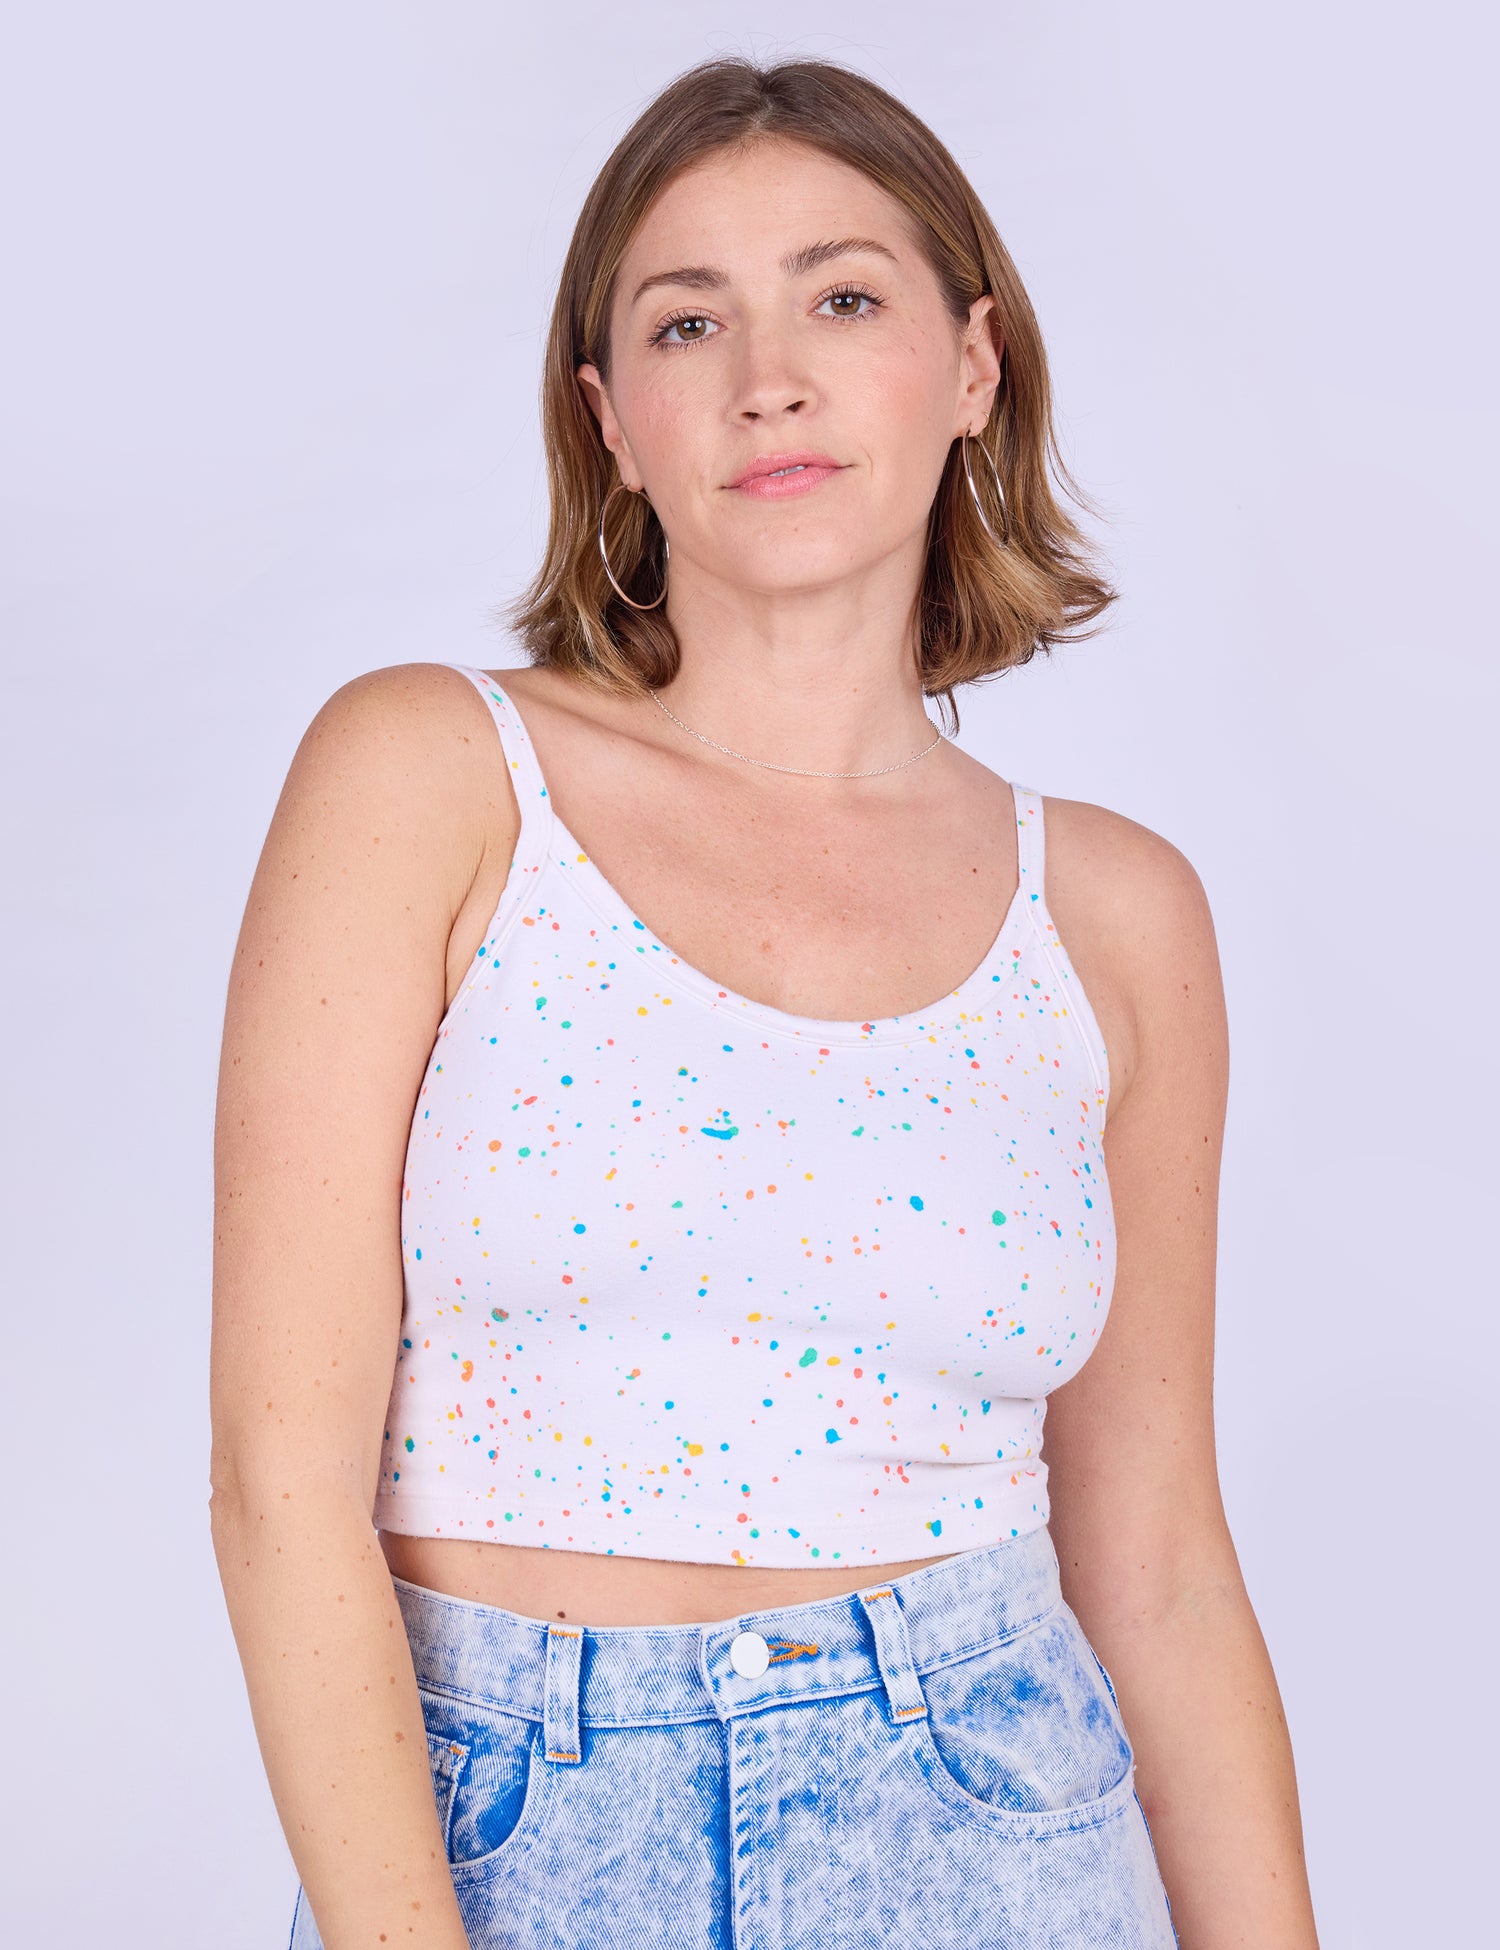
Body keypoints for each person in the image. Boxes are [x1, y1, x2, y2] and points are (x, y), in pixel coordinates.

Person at [209, 53, 1320, 1950]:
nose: (768, 378)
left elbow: (1157, 1562)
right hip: (511, 1840)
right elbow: (274, 1483)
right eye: (687, 320)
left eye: (845, 298)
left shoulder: (1119, 917)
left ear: (973, 366)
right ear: (611, 420)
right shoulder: (431, 779)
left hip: (1001, 1835)